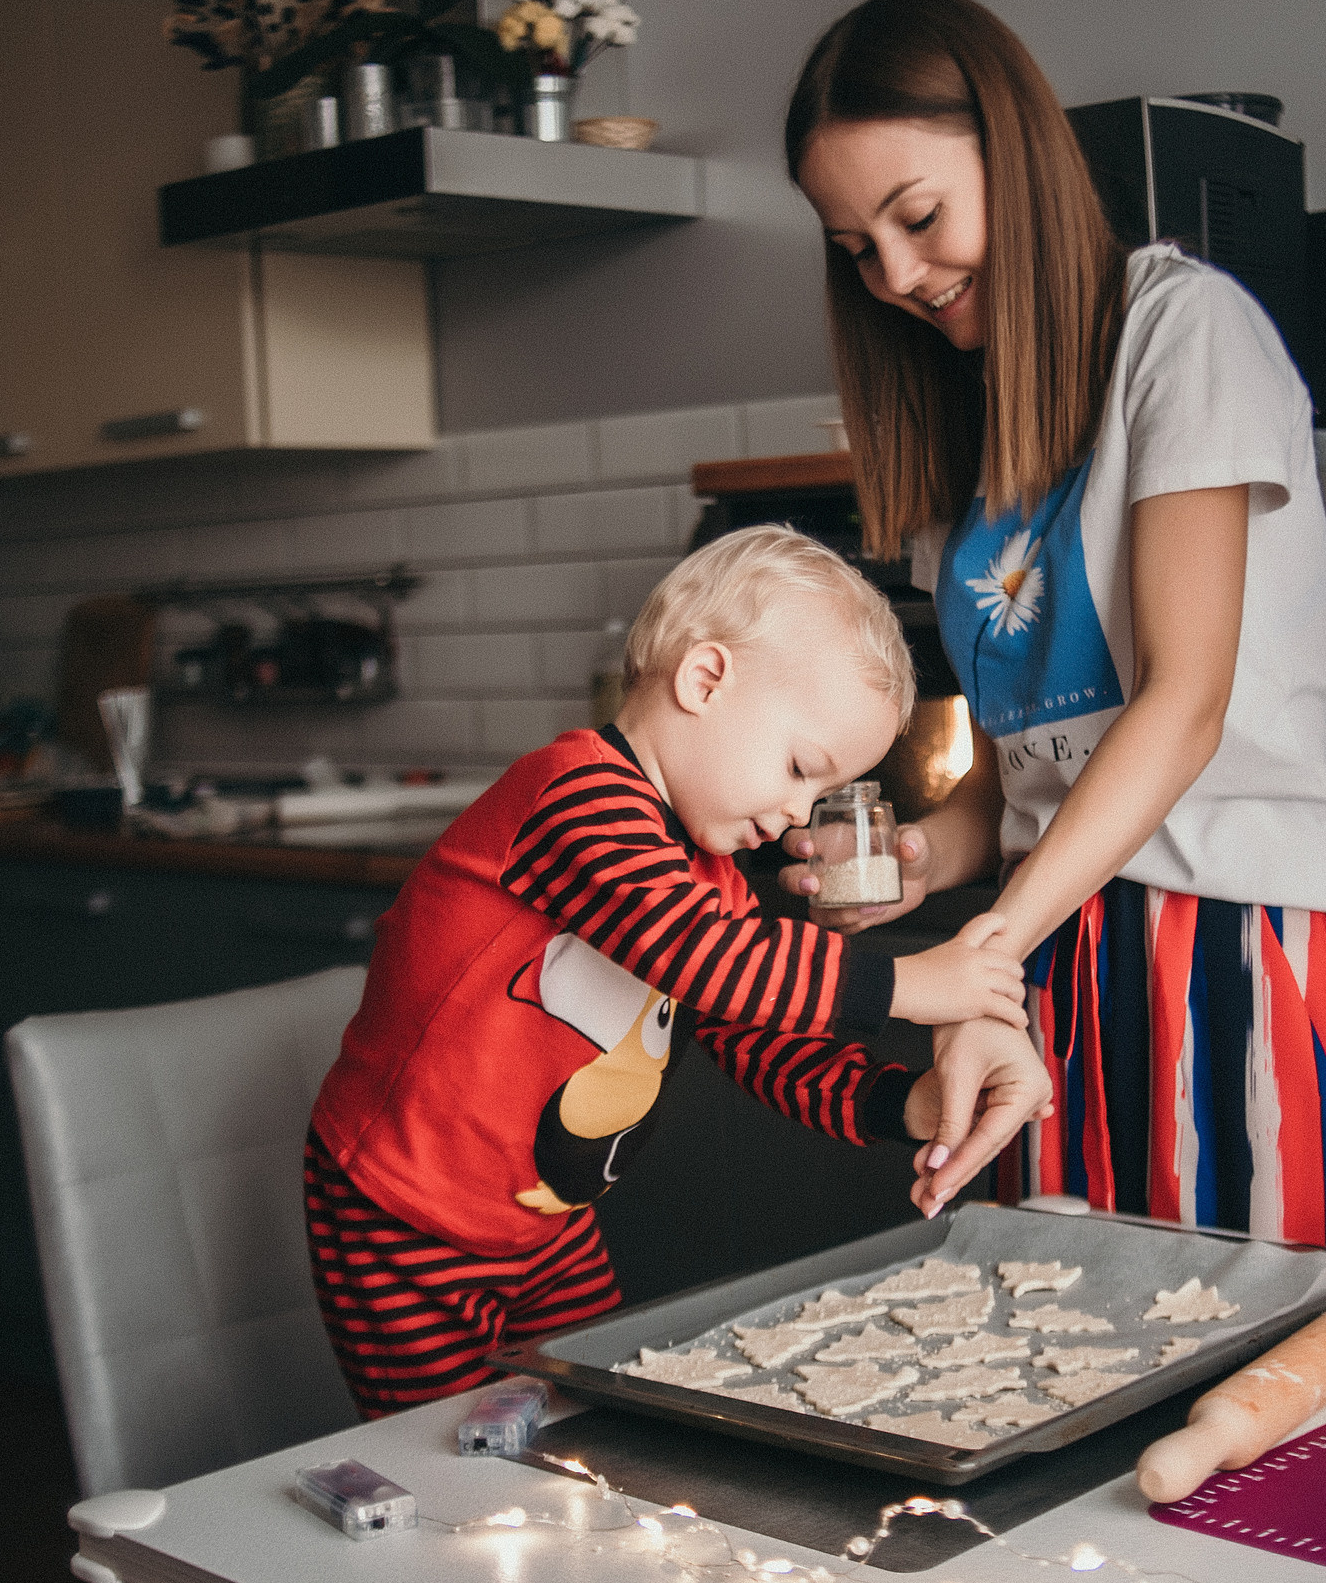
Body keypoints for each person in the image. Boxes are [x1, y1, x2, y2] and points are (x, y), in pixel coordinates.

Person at [775, 0, 1326, 1254]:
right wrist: (923, 862)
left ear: (1009, 148)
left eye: (917, 217)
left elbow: (1182, 703)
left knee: (1276, 1353)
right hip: (1056, 942)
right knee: (1063, 1341)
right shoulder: (975, 420)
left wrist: (996, 930)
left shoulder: (1185, 334)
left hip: (1232, 921)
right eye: (856, 250)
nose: (896, 276)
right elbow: (1032, 765)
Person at [303, 525, 1047, 1416]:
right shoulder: (575, 793)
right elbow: (706, 957)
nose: (796, 812)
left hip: (546, 1226)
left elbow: (762, 1035)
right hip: (402, 1212)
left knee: (583, 1425)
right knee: (442, 1455)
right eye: (800, 768)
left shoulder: (709, 874)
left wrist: (902, 1101)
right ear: (704, 679)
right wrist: (912, 983)